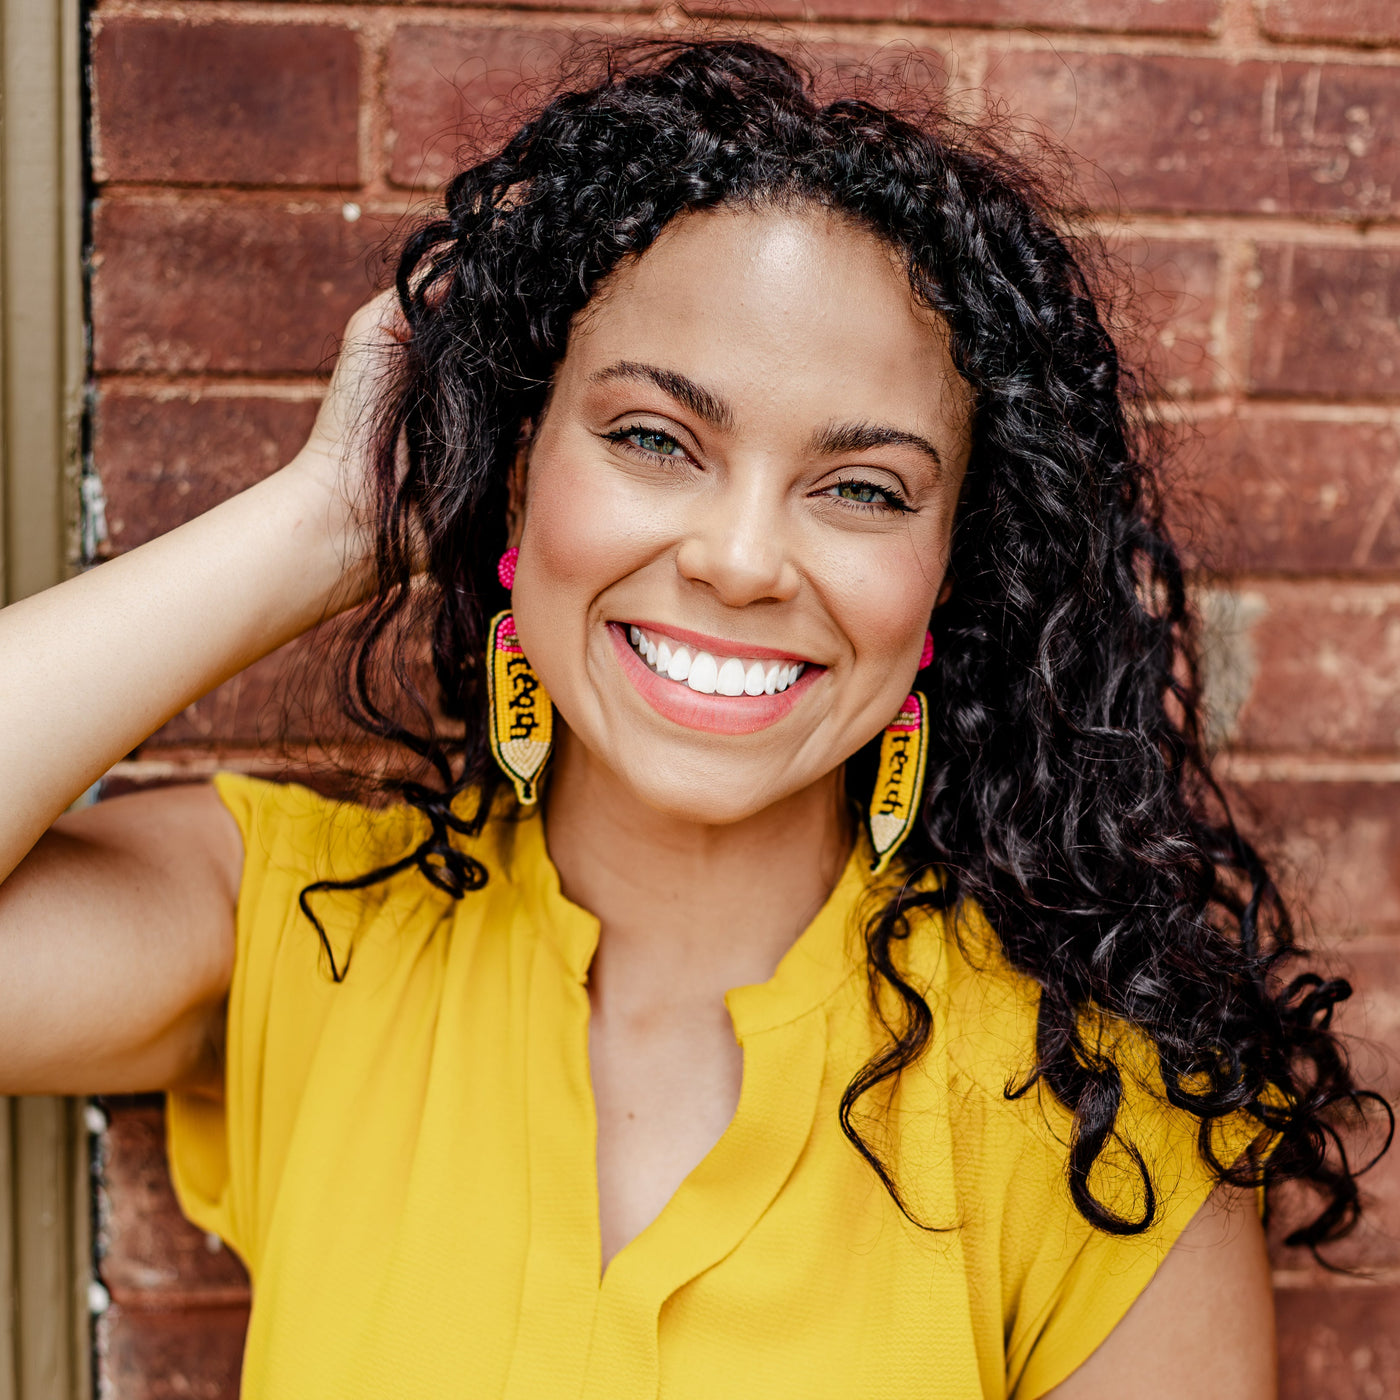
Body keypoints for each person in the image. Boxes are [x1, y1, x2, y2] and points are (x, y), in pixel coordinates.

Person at [0, 37, 1383, 1400]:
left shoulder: (1101, 1112)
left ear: (954, 576)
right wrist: (329, 522)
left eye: (863, 489)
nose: (739, 559)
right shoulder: (309, 933)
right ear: (517, 471)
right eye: (654, 440)